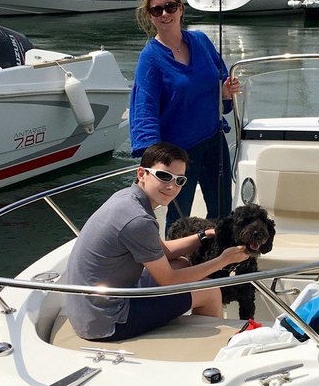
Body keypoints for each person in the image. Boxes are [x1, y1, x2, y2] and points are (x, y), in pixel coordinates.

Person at [65, 142, 250, 342]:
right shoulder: (138, 220)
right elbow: (167, 280)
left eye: (180, 180)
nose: (172, 186)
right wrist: (224, 260)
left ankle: (183, 322)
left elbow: (164, 251)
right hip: (108, 321)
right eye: (164, 176)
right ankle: (209, 347)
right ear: (141, 174)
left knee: (182, 263)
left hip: (89, 309)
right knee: (210, 290)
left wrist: (203, 235)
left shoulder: (127, 198)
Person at [129, 0, 240, 228]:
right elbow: (144, 110)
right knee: (179, 220)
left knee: (223, 210)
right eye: (157, 10)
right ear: (150, 17)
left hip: (214, 139)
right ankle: (178, 254)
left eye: (170, 7)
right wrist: (154, 161)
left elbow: (220, 75)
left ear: (181, 9)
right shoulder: (150, 59)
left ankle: (219, 251)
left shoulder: (200, 40)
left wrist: (225, 91)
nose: (165, 14)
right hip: (177, 154)